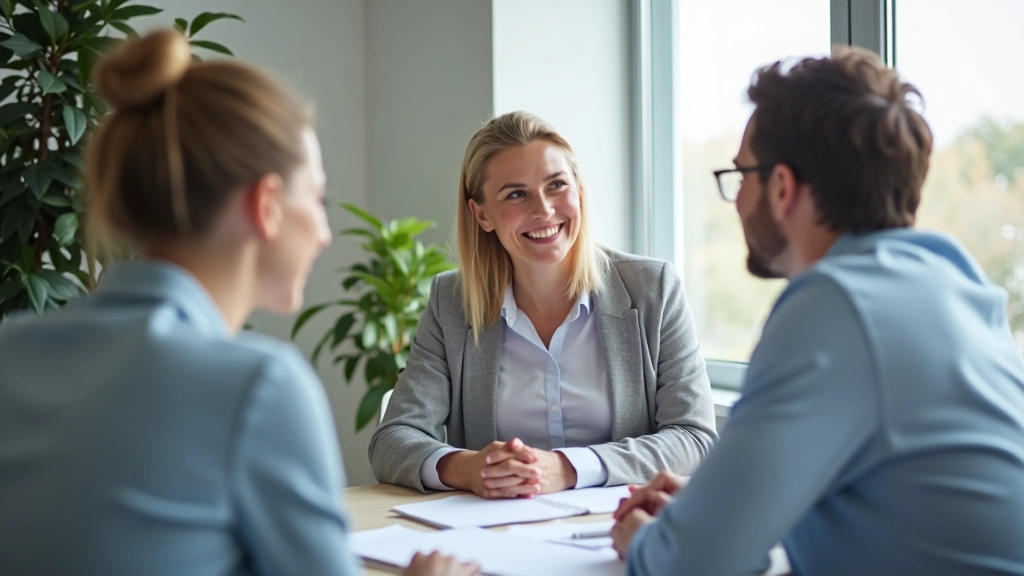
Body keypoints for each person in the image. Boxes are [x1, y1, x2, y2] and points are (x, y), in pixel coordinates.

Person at [0, 29, 475, 576]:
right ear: (267, 203)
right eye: (317, 198)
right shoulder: (260, 384)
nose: (324, 232)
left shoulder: (14, 348)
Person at [610, 47, 1024, 575]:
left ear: (781, 187)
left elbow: (698, 563)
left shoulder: (836, 306)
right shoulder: (953, 281)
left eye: (740, 177)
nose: (735, 201)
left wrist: (647, 541)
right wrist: (713, 500)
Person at [369, 111, 718, 498]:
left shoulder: (653, 289)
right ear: (481, 213)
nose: (545, 210)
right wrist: (469, 468)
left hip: (619, 529)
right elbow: (393, 439)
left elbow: (693, 437)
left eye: (556, 185)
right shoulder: (452, 303)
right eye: (516, 194)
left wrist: (569, 468)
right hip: (497, 533)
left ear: (579, 192)